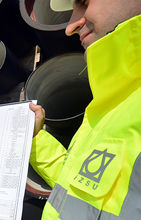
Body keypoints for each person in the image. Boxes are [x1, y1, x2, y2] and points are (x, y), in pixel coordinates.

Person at [29, 0, 141, 219]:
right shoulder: (106, 106)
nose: (69, 27)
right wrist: (35, 139)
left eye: (83, 2)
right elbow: (77, 184)